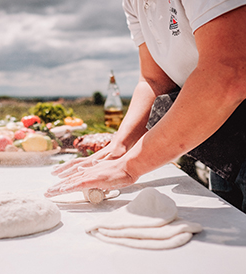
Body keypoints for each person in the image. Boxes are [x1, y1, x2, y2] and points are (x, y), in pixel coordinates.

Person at [45, 1, 246, 212]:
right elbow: (155, 81)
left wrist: (130, 166)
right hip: (221, 134)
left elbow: (228, 73)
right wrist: (119, 147)